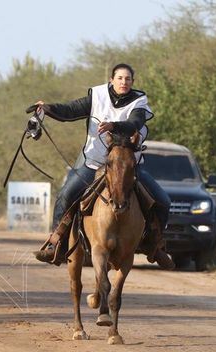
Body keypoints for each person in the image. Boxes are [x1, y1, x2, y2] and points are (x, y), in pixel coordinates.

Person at [32, 63, 175, 269]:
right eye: (120, 78)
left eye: (128, 79)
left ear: (132, 82)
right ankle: (57, 245)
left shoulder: (139, 102)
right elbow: (70, 110)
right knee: (65, 196)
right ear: (112, 80)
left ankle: (156, 246)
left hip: (127, 167)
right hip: (94, 163)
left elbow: (134, 123)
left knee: (163, 201)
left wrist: (114, 126)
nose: (124, 82)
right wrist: (47, 108)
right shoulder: (97, 96)